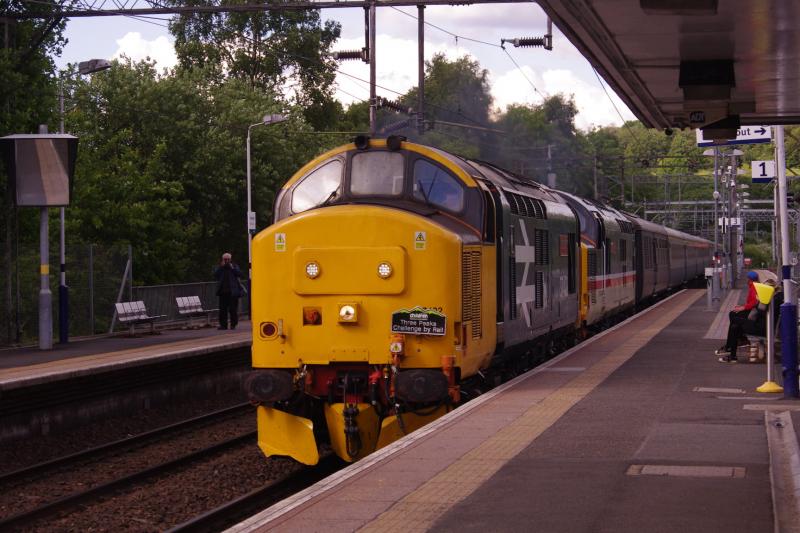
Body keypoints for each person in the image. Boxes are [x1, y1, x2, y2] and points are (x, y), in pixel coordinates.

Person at [717, 271, 760, 363]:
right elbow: (753, 302)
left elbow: (753, 303)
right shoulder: (756, 286)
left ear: (750, 280)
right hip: (754, 314)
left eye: (748, 279)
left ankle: (731, 347)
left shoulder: (754, 288)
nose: (747, 280)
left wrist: (743, 307)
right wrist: (742, 307)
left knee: (733, 318)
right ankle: (731, 348)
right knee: (734, 321)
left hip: (753, 316)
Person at [214, 252, 242, 330]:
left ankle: (233, 324)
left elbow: (239, 274)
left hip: (232, 292)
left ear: (230, 259)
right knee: (222, 310)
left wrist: (232, 268)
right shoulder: (220, 267)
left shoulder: (234, 266)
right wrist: (221, 267)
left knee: (233, 309)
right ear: (222, 259)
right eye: (225, 259)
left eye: (228, 259)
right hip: (223, 292)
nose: (226, 261)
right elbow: (215, 275)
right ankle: (223, 325)